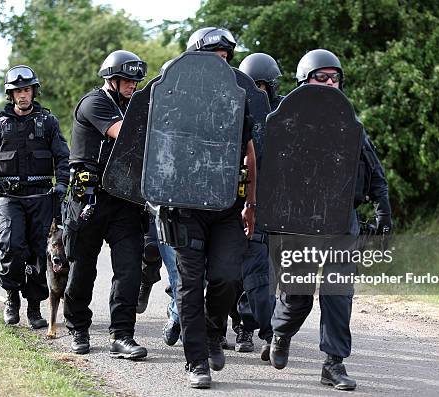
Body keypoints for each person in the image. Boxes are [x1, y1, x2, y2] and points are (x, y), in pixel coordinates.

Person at [268, 49, 393, 391]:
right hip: (299, 221)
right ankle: (281, 332)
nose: (328, 83)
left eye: (333, 77)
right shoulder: (287, 122)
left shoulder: (351, 124)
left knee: (339, 293)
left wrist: (383, 209)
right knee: (298, 294)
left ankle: (333, 364)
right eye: (320, 78)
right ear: (304, 82)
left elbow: (374, 171)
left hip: (341, 219)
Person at [168, 27, 256, 389]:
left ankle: (213, 330)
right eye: (213, 58)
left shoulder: (237, 97)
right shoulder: (175, 97)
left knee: (227, 278)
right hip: (186, 207)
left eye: (225, 59)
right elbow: (160, 147)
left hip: (226, 205)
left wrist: (251, 201)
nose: (221, 64)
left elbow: (249, 150)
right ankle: (196, 361)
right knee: (190, 285)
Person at [62, 50, 149, 359]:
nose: (133, 85)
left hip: (124, 200)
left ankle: (122, 336)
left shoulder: (135, 105)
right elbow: (123, 134)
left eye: (137, 81)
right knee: (82, 267)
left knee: (129, 269)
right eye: (128, 80)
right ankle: (78, 328)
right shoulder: (94, 103)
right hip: (89, 198)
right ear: (112, 79)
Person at [0, 65, 70, 329]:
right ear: (11, 94)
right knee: (12, 246)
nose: (23, 95)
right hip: (11, 198)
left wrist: (62, 184)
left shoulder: (48, 122)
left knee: (41, 253)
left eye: (27, 89)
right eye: (18, 91)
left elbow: (63, 156)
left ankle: (34, 307)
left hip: (42, 197)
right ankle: (11, 298)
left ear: (33, 91)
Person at [218, 52, 284, 358]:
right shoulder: (234, 110)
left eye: (262, 86)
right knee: (243, 273)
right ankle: (244, 326)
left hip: (276, 202)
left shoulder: (284, 112)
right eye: (252, 86)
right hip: (242, 201)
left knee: (267, 276)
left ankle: (271, 332)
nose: (257, 92)